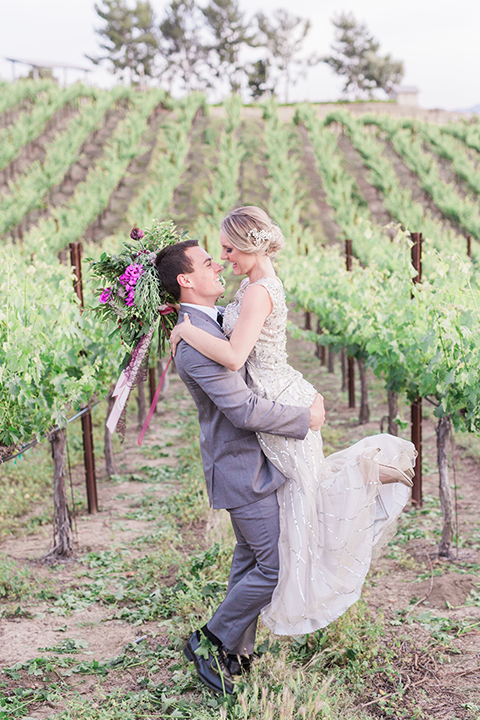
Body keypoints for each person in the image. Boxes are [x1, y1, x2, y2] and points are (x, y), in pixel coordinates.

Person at [169, 206, 416, 638]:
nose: (223, 258)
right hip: (264, 425)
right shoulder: (249, 290)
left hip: (279, 403)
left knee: (308, 499)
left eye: (225, 249)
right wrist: (183, 324)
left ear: (249, 243)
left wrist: (183, 329)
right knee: (300, 508)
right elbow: (239, 388)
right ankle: (221, 644)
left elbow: (233, 356)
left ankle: (220, 644)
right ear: (185, 280)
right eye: (214, 256)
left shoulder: (255, 292)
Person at [155, 238, 325, 695]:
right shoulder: (192, 342)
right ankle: (208, 640)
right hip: (241, 468)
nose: (218, 266)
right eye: (208, 262)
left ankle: (234, 654)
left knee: (250, 561)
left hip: (255, 462)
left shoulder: (206, 323)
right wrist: (302, 420)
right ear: (185, 280)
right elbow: (243, 410)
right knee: (274, 568)